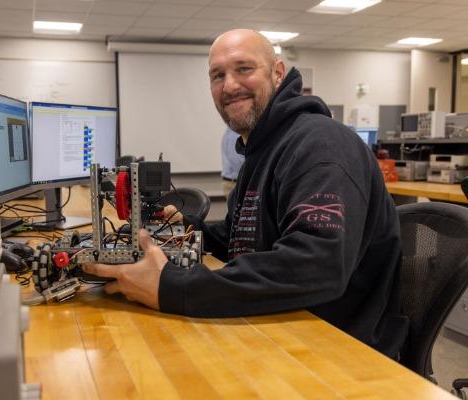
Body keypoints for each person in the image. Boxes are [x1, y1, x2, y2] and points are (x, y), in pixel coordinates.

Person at [83, 29, 408, 358]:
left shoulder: (320, 146)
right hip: (283, 328)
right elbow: (244, 237)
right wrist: (190, 231)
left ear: (278, 73)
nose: (229, 86)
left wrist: (171, 288)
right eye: (217, 75)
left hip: (341, 351)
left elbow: (317, 264)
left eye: (244, 69)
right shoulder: (261, 149)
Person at [221, 127, 245, 196]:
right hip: (235, 183)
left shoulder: (230, 133)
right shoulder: (235, 135)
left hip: (233, 182)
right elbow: (236, 161)